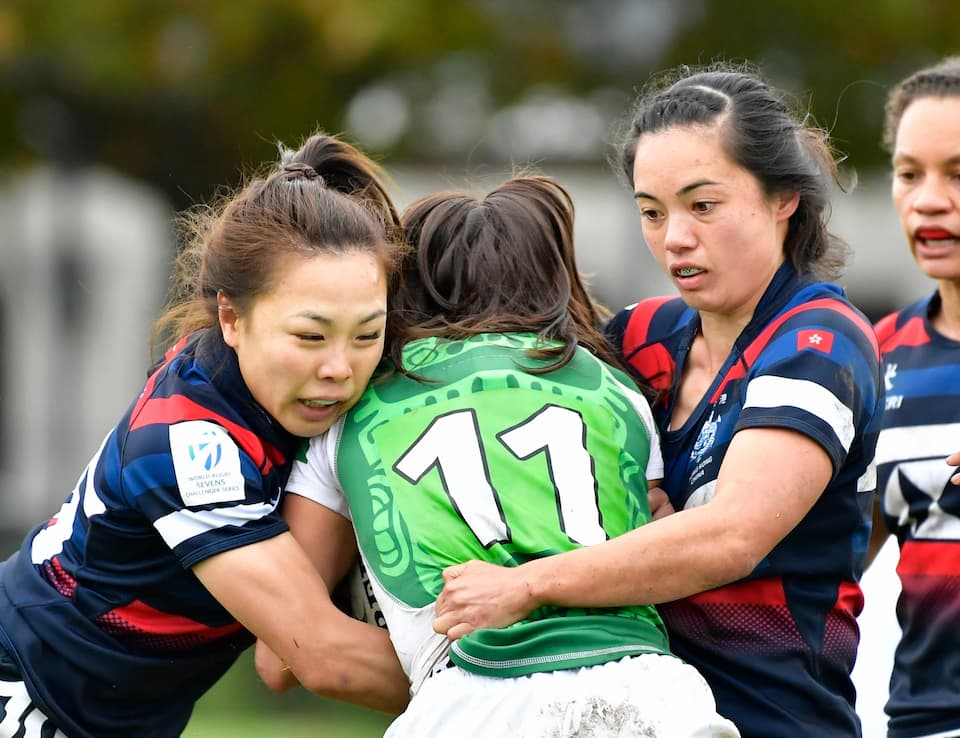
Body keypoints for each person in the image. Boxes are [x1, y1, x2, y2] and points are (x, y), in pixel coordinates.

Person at [433, 62, 884, 738]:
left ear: (783, 198)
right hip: (627, 717)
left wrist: (529, 584)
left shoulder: (819, 343)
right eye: (652, 211)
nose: (674, 238)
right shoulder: (639, 337)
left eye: (703, 205)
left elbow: (732, 535)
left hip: (774, 721)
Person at [266, 174, 740, 737]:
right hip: (650, 697)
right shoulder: (619, 391)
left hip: (468, 703)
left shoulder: (350, 403)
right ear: (554, 278)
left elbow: (279, 662)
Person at [0, 130, 411, 738]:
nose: (339, 367)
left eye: (366, 335)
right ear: (231, 318)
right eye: (310, 336)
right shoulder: (193, 445)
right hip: (31, 697)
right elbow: (322, 656)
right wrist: (531, 680)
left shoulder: (283, 394)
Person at [865, 56, 960, 738]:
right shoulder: (873, 356)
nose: (928, 199)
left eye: (959, 173)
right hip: (923, 719)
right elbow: (832, 561)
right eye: (909, 173)